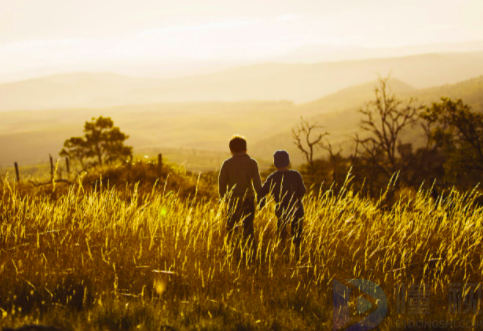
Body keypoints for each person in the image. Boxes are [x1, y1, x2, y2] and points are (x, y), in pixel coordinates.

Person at [258, 150, 306, 253]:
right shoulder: (295, 175)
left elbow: (262, 192)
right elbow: (303, 191)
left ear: (275, 163)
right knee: (297, 235)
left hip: (281, 209)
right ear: (288, 162)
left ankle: (283, 255)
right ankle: (297, 254)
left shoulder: (272, 178)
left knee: (282, 235)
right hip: (297, 208)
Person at [218, 135, 262, 245]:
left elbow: (222, 184)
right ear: (246, 150)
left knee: (231, 229)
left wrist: (223, 198)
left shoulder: (227, 164)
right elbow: (257, 183)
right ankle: (251, 255)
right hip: (248, 200)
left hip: (233, 201)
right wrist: (261, 197)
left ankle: (234, 253)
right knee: (248, 229)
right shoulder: (252, 163)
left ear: (231, 150)